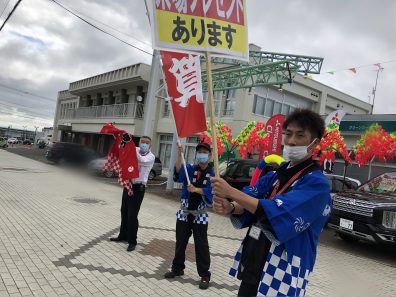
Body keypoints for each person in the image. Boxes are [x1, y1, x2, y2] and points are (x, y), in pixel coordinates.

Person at [211, 109, 331, 296]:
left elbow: (282, 212)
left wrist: (230, 191)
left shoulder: (317, 183)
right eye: (288, 134)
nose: (291, 141)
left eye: (300, 136)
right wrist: (232, 207)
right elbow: (253, 196)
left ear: (315, 142)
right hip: (256, 253)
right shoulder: (275, 174)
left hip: (285, 263)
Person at [164, 142, 214, 290]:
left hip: (200, 214)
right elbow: (178, 172)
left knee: (201, 245)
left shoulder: (213, 173)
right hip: (184, 212)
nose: (202, 155)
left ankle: (204, 274)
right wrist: (180, 154)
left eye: (205, 152)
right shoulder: (191, 169)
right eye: (199, 152)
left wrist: (197, 190)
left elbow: (213, 192)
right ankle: (177, 267)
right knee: (180, 241)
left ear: (209, 155)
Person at [110, 136, 155, 252]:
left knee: (132, 215)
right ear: (139, 142)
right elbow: (121, 149)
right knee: (124, 211)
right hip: (128, 184)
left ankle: (132, 241)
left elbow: (140, 160)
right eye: (142, 142)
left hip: (138, 188)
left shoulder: (150, 157)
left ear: (150, 145)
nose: (144, 144)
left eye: (147, 143)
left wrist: (129, 146)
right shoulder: (134, 149)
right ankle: (122, 235)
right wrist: (124, 142)